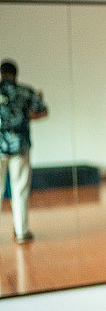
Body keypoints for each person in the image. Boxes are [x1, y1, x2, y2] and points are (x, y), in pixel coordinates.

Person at [0, 60, 48, 244]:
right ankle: (21, 231)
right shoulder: (25, 92)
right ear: (16, 74)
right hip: (20, 146)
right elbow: (43, 111)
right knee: (20, 189)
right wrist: (23, 117)